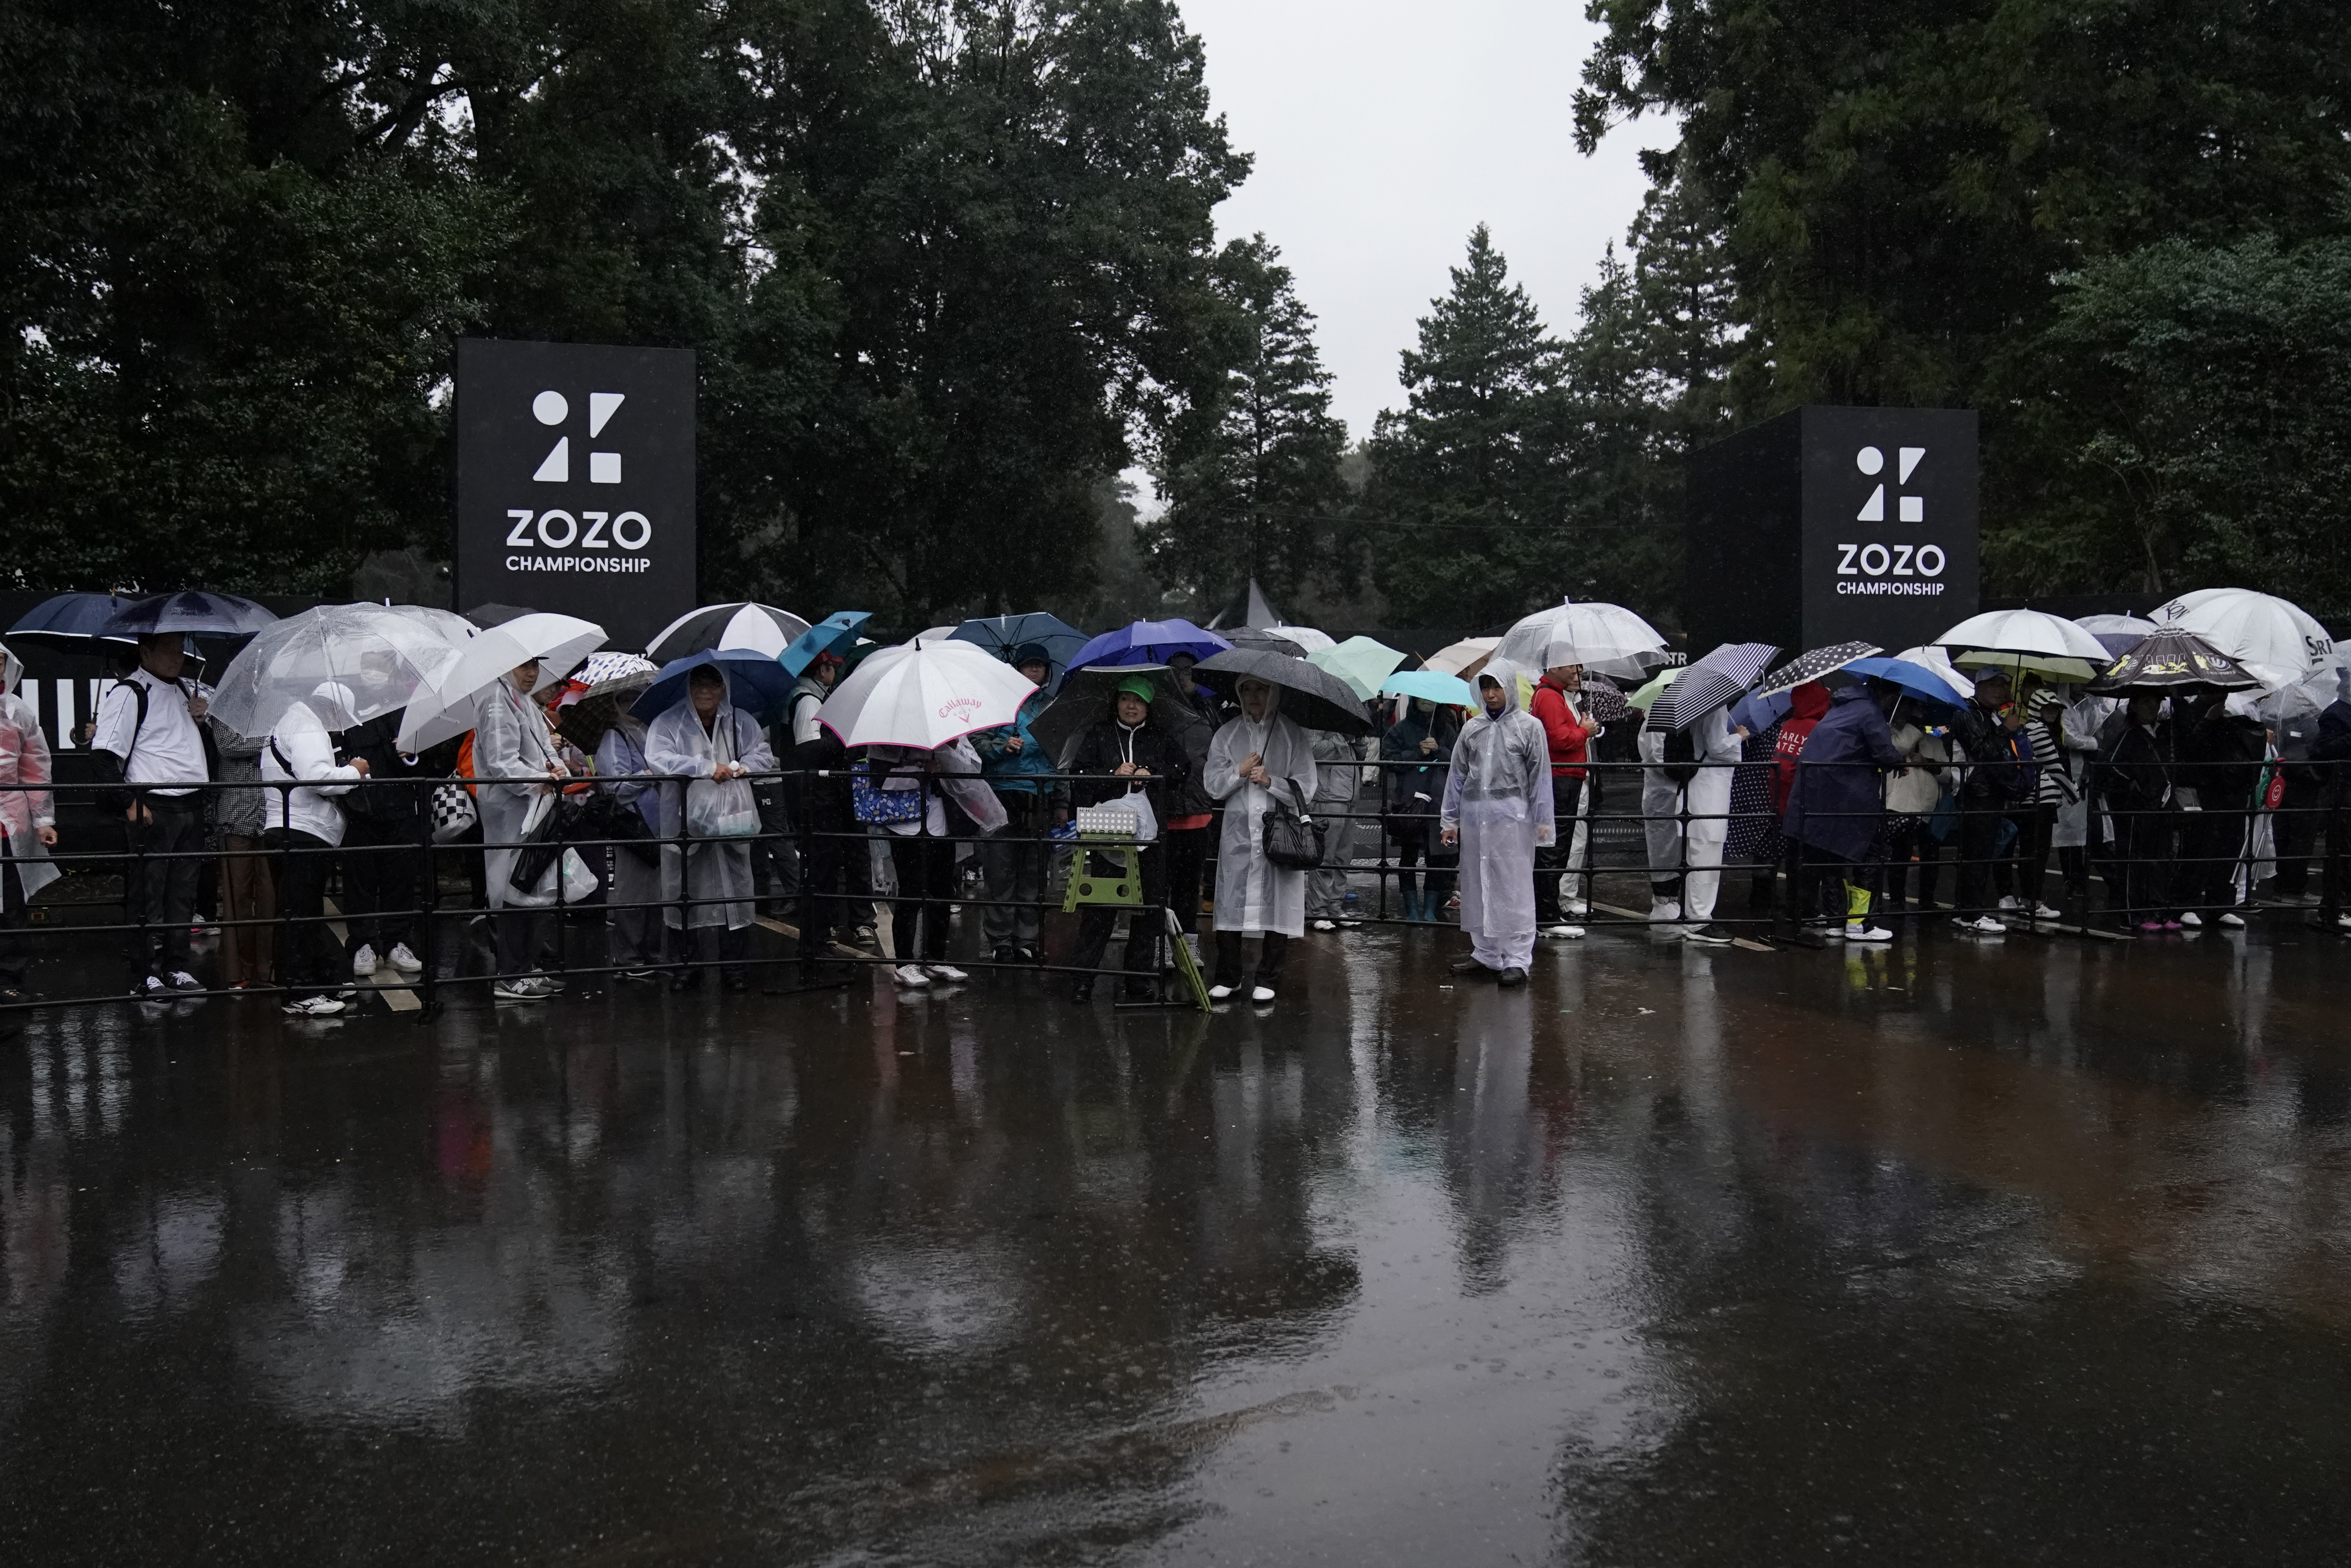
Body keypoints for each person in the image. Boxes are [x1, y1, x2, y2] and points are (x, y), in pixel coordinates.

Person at [91, 632, 214, 994]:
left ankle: (177, 967)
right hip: (153, 803)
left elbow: (201, 749)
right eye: (169, 651)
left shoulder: (187, 692)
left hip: (191, 802)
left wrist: (202, 722)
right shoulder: (130, 693)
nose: (177, 658)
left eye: (180, 651)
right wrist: (129, 801)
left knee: (182, 894)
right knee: (148, 894)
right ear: (146, 652)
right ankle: (144, 974)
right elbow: (103, 755)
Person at [647, 665, 775, 990]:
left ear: (724, 687)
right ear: (688, 687)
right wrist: (703, 768)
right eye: (699, 683)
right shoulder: (669, 721)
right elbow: (657, 757)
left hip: (732, 818)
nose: (706, 690)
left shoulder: (740, 720)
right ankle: (685, 967)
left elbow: (762, 754)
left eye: (714, 683)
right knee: (682, 889)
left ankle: (735, 968)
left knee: (735, 886)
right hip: (683, 819)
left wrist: (741, 767)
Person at [1066, 674, 1187, 1001]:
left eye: (1138, 700)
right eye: (1124, 699)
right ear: (1115, 703)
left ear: (1148, 706)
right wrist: (1111, 774)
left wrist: (1153, 772)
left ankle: (1138, 979)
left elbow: (1182, 770)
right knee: (1100, 908)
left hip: (1149, 837)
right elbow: (1077, 775)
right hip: (1107, 835)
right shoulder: (1099, 734)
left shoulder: (1161, 737)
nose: (1131, 706)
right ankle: (1083, 980)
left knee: (1149, 908)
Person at [1202, 676, 1319, 1002]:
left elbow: (1306, 786)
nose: (1254, 696)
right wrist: (1238, 772)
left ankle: (1269, 975)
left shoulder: (1291, 734)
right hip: (1238, 832)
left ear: (1274, 693)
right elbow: (1212, 784)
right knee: (1229, 899)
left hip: (1278, 831)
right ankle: (1229, 975)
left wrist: (1272, 782)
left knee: (1278, 900)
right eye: (1247, 690)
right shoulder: (1227, 734)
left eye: (1262, 689)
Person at [1441, 665, 1553, 984]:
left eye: (1497, 687)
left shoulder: (1529, 727)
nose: (1491, 695)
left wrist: (1543, 819)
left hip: (1512, 817)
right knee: (1476, 883)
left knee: (1513, 885)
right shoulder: (1472, 728)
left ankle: (1517, 958)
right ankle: (1486, 953)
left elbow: (1540, 776)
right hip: (1476, 817)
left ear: (1509, 689)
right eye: (1486, 688)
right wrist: (1449, 818)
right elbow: (1458, 774)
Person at [260, 683, 367, 1014]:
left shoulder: (293, 721)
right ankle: (299, 993)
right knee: (300, 913)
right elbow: (315, 777)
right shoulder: (308, 726)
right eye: (341, 718)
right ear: (331, 709)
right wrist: (355, 772)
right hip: (303, 829)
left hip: (289, 826)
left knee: (300, 911)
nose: (340, 727)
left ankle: (320, 981)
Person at [867, 737, 1001, 988]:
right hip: (905, 822)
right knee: (912, 892)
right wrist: (921, 771)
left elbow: (973, 765)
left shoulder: (946, 727)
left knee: (942, 891)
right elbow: (880, 778)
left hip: (942, 821)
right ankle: (904, 963)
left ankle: (935, 958)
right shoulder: (886, 736)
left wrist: (950, 750)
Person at [474, 656, 572, 999]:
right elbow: (502, 762)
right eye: (523, 667)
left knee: (535, 886)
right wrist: (540, 779)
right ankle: (510, 974)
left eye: (535, 667)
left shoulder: (523, 702)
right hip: (512, 811)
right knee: (515, 886)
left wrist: (558, 772)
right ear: (505, 667)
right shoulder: (496, 702)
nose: (532, 674)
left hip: (535, 805)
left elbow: (547, 748)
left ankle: (526, 967)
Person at [1783, 678, 1908, 942]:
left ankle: (1836, 922)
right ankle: (1860, 923)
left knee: (1832, 855)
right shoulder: (1870, 711)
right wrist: (1899, 761)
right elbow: (1884, 752)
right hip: (1849, 796)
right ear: (1886, 697)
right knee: (1872, 854)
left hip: (1820, 794)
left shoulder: (1839, 707)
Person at [972, 643, 1057, 963]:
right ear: (1017, 669)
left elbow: (1061, 757)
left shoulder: (1052, 707)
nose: (1035, 670)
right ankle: (1000, 941)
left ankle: (1027, 939)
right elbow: (976, 743)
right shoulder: (995, 705)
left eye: (1040, 665)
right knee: (1000, 872)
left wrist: (1061, 802)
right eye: (1029, 665)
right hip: (1001, 796)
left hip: (1041, 797)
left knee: (1033, 873)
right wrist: (1001, 746)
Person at [786, 648, 867, 969]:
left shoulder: (812, 697)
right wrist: (848, 744)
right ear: (822, 671)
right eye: (833, 668)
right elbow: (809, 751)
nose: (835, 673)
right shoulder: (808, 700)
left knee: (825, 869)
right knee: (821, 871)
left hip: (821, 799)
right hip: (817, 800)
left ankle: (820, 937)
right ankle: (815, 942)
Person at [337, 708, 430, 979]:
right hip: (359, 809)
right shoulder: (345, 711)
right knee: (359, 883)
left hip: (400, 806)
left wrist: (411, 754)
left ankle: (397, 943)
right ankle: (362, 945)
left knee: (401, 880)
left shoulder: (406, 711)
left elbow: (433, 759)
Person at [2173, 689, 2264, 929]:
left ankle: (2221, 905)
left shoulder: (2237, 710)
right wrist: (2208, 722)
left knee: (2229, 848)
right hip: (2206, 789)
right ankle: (2187, 904)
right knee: (2201, 849)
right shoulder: (2191, 711)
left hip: (2232, 790)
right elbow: (2188, 750)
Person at [0, 643, 59, 1003]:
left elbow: (35, 770)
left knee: (10, 907)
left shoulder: (17, 710)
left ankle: (9, 980)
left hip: (8, 824)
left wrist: (44, 820)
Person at [1947, 669, 2028, 932]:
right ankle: (1971, 914)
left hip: (1990, 793)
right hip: (1976, 794)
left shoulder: (1989, 716)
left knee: (1981, 854)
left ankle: (1968, 910)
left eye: (2003, 685)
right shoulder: (1967, 714)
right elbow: (1983, 751)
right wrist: (2006, 730)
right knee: (1976, 855)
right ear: (1978, 686)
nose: (1999, 690)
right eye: (1992, 684)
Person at [594, 710, 663, 978]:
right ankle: (628, 957)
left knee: (657, 889)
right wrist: (648, 775)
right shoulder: (615, 736)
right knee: (633, 889)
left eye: (636, 698)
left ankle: (651, 953)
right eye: (624, 699)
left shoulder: (651, 733)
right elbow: (615, 785)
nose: (631, 704)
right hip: (633, 824)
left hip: (658, 823)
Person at [1157, 652, 1219, 949]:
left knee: (1187, 886)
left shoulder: (1209, 711)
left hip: (1198, 809)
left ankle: (1187, 943)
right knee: (1159, 885)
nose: (1184, 676)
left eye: (1190, 671)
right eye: (1177, 671)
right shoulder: (1156, 710)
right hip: (1161, 813)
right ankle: (1161, 944)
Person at [2103, 690, 2180, 932]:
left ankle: (2158, 910)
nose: (2152, 707)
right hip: (2135, 810)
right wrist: (2133, 784)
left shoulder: (2163, 734)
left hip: (2161, 807)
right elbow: (2110, 769)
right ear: (2134, 705)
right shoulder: (2128, 735)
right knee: (2134, 860)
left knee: (2160, 859)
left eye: (2156, 702)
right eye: (2146, 701)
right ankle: (2132, 914)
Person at [1527, 661, 1593, 936]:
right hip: (1561, 778)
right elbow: (1561, 740)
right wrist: (1584, 731)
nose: (1578, 672)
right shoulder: (1550, 697)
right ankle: (1546, 916)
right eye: (1572, 666)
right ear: (1554, 667)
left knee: (1557, 846)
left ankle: (1547, 912)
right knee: (1554, 847)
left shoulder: (1550, 695)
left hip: (1563, 778)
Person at [1381, 696, 1457, 922]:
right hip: (1409, 804)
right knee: (1409, 856)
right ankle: (1412, 910)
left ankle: (1430, 910)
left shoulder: (1448, 730)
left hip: (1439, 803)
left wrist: (1439, 751)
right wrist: (1416, 753)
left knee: (1436, 858)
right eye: (1422, 698)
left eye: (1432, 699)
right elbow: (1387, 759)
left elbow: (1461, 761)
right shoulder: (1400, 730)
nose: (1426, 702)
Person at [1305, 726, 1365, 931]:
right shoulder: (1318, 721)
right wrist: (1342, 738)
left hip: (1349, 797)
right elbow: (1312, 750)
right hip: (1328, 797)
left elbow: (1361, 756)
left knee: (1342, 858)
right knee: (1325, 858)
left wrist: (1358, 740)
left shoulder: (1346, 721)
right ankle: (1317, 910)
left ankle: (1335, 907)